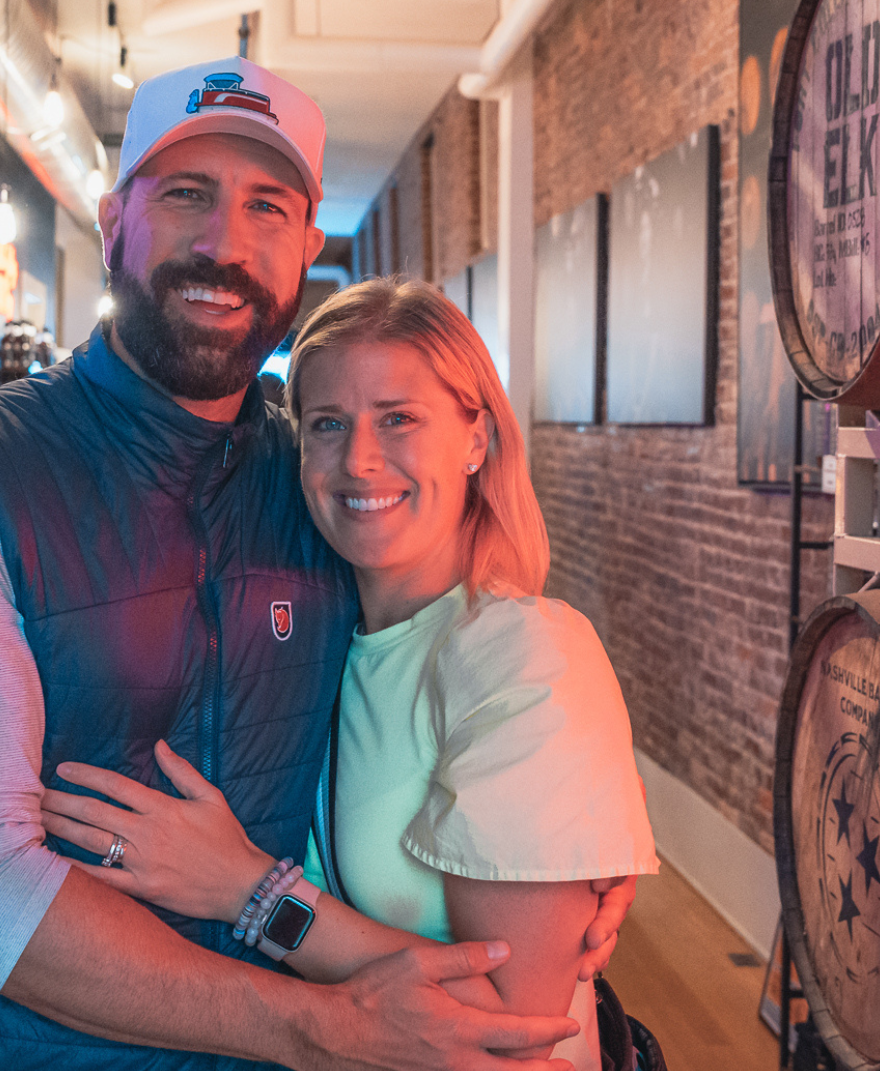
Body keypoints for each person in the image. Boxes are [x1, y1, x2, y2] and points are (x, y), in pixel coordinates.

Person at [0, 56, 635, 1070]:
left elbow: (468, 682)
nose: (223, 243)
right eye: (186, 195)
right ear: (111, 216)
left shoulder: (313, 485)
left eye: (267, 206)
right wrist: (312, 1025)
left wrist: (562, 846)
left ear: (305, 244)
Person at [41, 279, 658, 1070]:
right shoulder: (325, 634)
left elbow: (516, 1032)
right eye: (328, 425)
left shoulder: (529, 656)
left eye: (399, 418)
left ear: (477, 438)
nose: (359, 461)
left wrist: (250, 894)